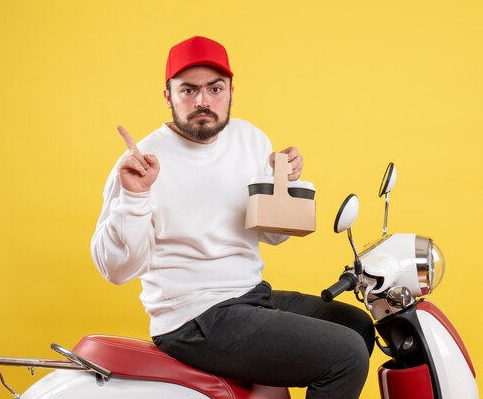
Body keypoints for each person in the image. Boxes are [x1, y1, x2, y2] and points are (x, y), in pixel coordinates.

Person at [91, 36, 374, 399]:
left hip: (249, 297)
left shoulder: (250, 138)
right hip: (192, 319)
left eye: (215, 88)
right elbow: (115, 269)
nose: (203, 101)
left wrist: (284, 183)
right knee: (345, 354)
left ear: (230, 91)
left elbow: (274, 236)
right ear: (168, 96)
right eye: (188, 90)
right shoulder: (142, 161)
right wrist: (134, 195)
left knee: (358, 326)